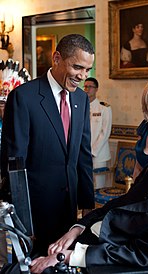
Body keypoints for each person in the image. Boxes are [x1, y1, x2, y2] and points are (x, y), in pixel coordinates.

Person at [30, 128, 148, 273]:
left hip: (103, 261)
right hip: (85, 238)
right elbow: (115, 205)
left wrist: (69, 257)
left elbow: (140, 256)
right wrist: (77, 228)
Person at [0, 34, 95, 254]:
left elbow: (83, 153)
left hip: (69, 208)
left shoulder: (81, 99)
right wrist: (24, 217)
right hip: (35, 213)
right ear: (57, 58)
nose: (82, 76)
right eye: (78, 67)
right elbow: (15, 162)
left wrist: (87, 203)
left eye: (88, 70)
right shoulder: (24, 97)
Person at [83, 77, 112, 189]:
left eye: (90, 87)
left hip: (98, 155)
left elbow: (105, 132)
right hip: (83, 153)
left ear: (96, 89)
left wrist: (92, 151)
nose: (87, 89)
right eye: (85, 86)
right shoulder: (81, 107)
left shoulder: (104, 108)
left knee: (98, 187)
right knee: (85, 186)